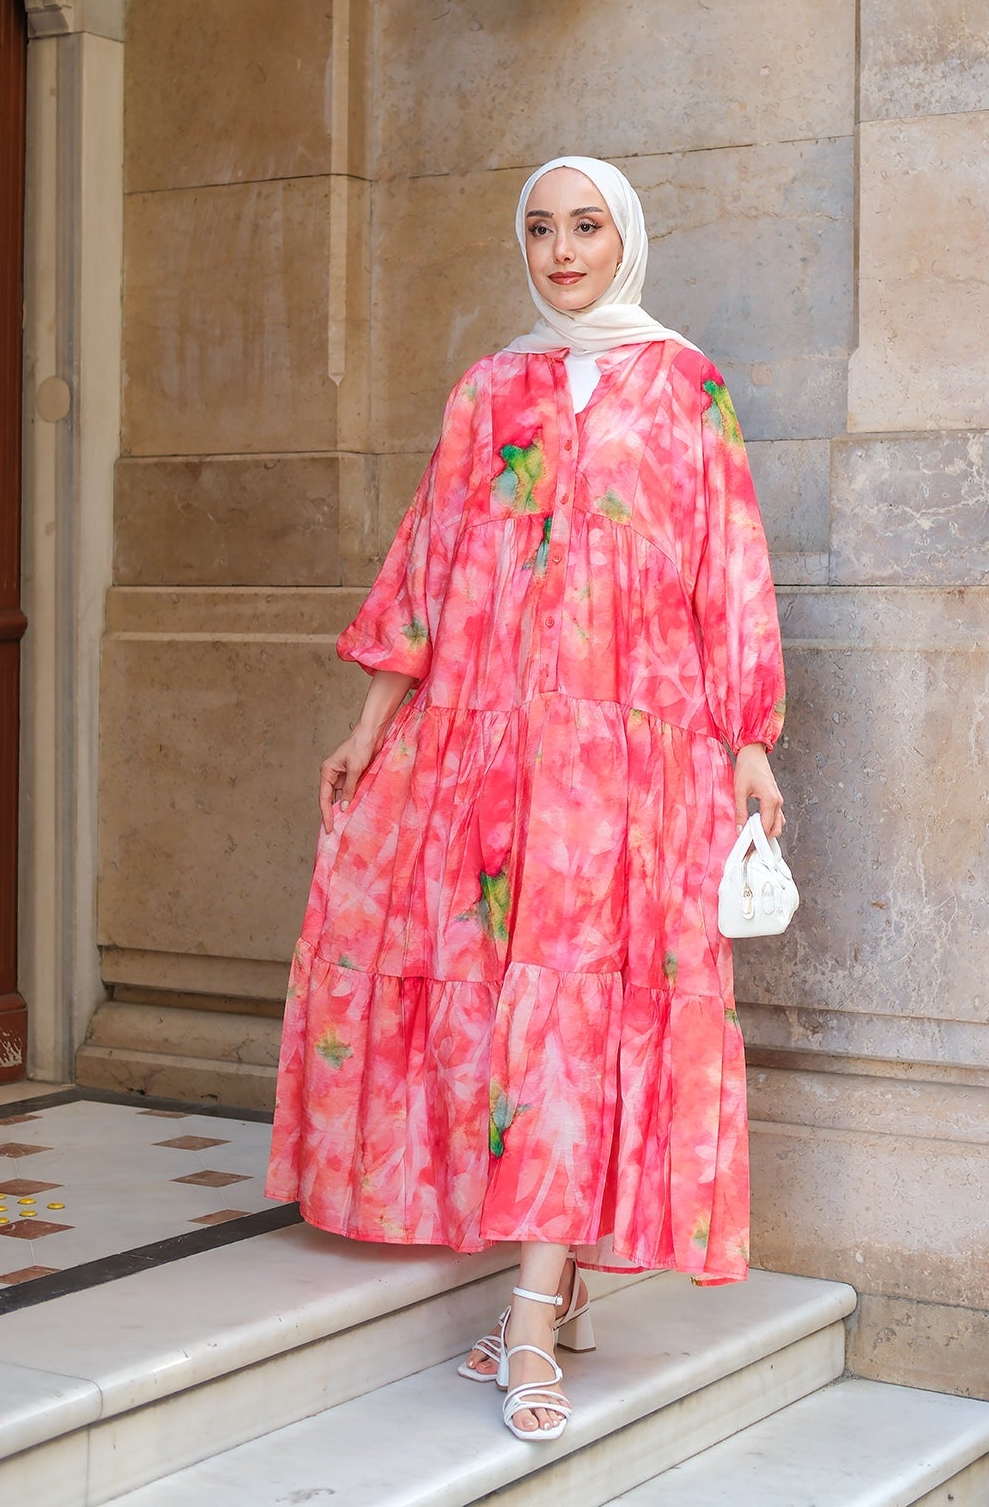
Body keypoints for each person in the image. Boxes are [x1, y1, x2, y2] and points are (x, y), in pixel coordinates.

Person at [265, 155, 786, 1441]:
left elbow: (730, 569)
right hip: (492, 764)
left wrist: (753, 744)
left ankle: (535, 1326)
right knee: (528, 1014)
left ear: (628, 239)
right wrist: (369, 724)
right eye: (542, 229)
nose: (562, 252)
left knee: (582, 1013)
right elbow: (429, 566)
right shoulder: (489, 388)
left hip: (636, 769)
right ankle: (552, 1295)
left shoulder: (686, 384)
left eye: (586, 227)